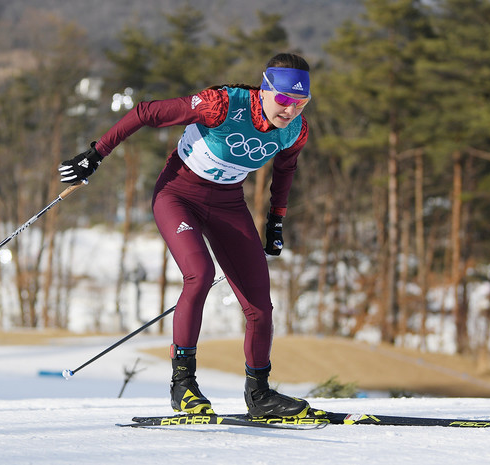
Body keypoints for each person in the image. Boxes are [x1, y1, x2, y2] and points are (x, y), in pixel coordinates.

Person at [58, 52, 313, 418]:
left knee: (259, 303)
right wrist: (96, 154)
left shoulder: (296, 130)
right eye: (285, 99)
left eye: (301, 103)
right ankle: (184, 386)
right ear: (265, 88)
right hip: (178, 194)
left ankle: (259, 395)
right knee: (200, 275)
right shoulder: (221, 104)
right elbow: (146, 112)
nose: (290, 110)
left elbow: (285, 170)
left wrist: (276, 220)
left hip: (228, 204)